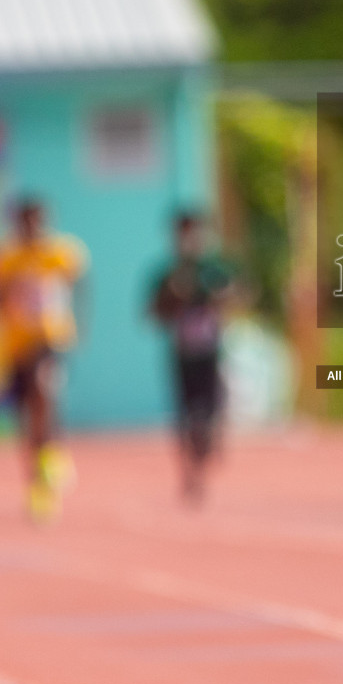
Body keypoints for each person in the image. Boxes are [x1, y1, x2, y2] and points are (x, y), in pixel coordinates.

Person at [0, 197, 87, 524]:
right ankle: (37, 483)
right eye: (26, 221)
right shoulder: (4, 258)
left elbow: (79, 289)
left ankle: (54, 456)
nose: (33, 227)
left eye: (39, 220)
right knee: (27, 417)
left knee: (45, 391)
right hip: (16, 347)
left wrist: (79, 325)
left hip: (51, 339)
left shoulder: (62, 254)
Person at [148, 211, 234, 501]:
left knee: (209, 412)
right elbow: (153, 313)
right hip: (182, 354)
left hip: (211, 352)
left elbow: (238, 295)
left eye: (193, 233)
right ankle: (189, 474)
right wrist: (172, 298)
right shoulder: (167, 272)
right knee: (185, 416)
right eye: (182, 234)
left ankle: (208, 446)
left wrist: (221, 297)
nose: (188, 240)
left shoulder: (214, 268)